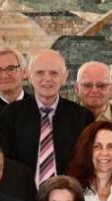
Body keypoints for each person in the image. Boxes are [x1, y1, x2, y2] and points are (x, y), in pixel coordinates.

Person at [8, 50, 93, 185]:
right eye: (40, 73)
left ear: (65, 77)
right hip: (22, 197)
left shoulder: (82, 117)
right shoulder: (10, 115)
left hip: (68, 197)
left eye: (54, 73)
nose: (47, 78)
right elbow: (7, 164)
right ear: (29, 76)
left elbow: (86, 164)